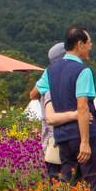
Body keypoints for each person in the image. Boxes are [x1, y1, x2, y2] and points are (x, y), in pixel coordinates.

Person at [35, 26, 96, 191]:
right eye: (89, 43)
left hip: (62, 136)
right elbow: (82, 106)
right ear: (79, 44)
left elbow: (34, 92)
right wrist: (85, 142)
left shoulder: (50, 71)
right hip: (82, 133)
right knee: (92, 183)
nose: (91, 46)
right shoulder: (83, 71)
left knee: (67, 183)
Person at [29, 42, 69, 179]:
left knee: (56, 176)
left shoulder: (49, 73)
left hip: (54, 134)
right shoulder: (75, 71)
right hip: (68, 133)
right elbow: (33, 94)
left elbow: (33, 94)